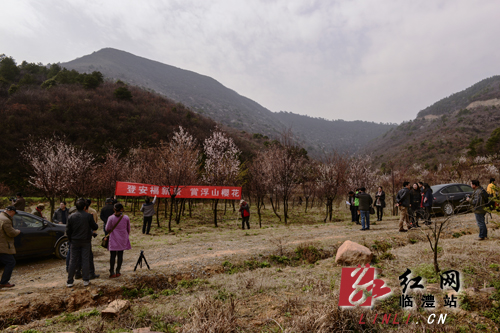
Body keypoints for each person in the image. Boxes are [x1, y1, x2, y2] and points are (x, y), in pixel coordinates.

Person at [66, 198, 98, 287]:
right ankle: (86, 280)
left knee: (72, 261)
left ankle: (69, 281)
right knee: (85, 260)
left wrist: (70, 240)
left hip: (74, 241)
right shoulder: (88, 216)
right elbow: (95, 226)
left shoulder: (71, 216)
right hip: (86, 241)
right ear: (84, 207)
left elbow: (68, 230)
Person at [105, 203, 131, 278]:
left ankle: (112, 272)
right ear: (122, 209)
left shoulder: (111, 218)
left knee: (112, 256)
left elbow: (107, 228)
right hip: (122, 238)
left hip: (113, 238)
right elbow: (128, 229)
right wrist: (126, 235)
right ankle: (118, 271)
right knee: (120, 255)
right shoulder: (126, 218)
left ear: (114, 209)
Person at [0, 206, 21, 288]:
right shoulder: (6, 220)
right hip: (3, 246)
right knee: (11, 262)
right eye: (14, 213)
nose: (13, 215)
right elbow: (11, 233)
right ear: (11, 211)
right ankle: (4, 282)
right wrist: (17, 231)